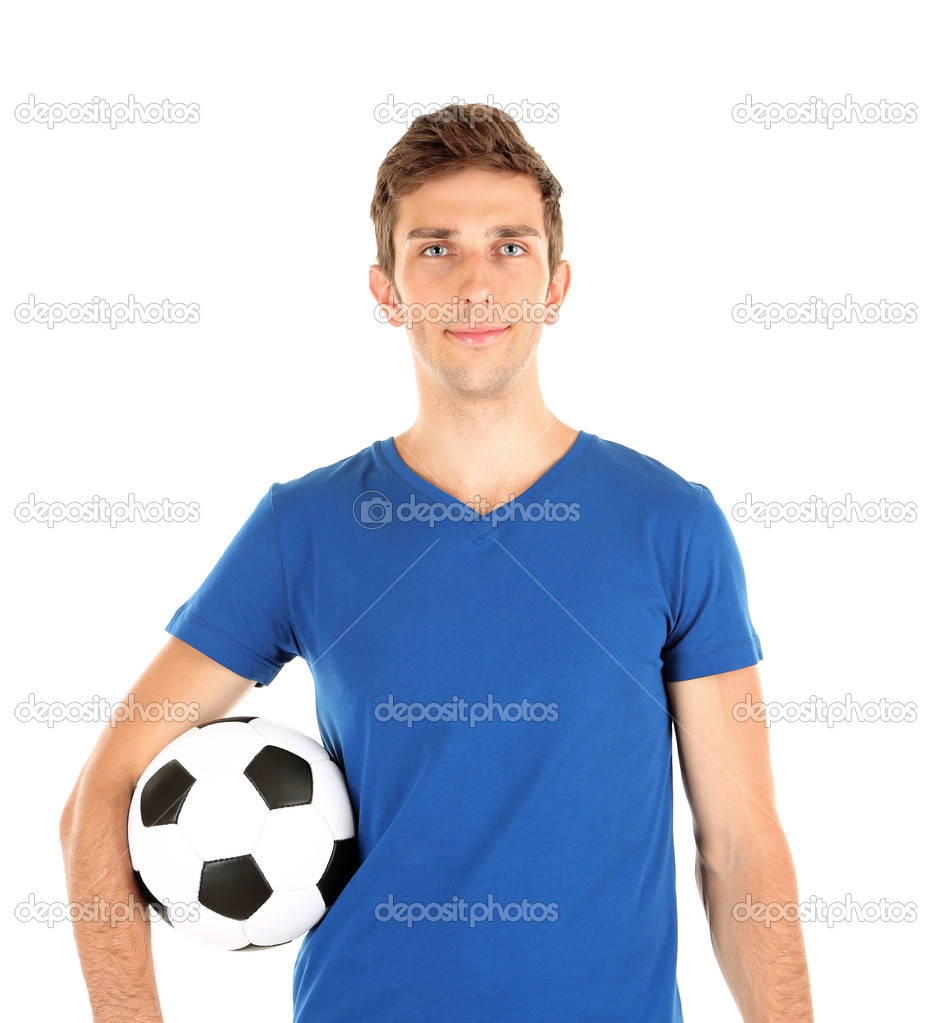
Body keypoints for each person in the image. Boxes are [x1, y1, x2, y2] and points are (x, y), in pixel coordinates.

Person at [61, 103, 813, 1022]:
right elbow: (98, 795)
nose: (475, 285)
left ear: (556, 283)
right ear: (385, 290)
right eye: (434, 248)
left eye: (509, 246)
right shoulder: (304, 527)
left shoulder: (670, 523)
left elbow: (739, 844)